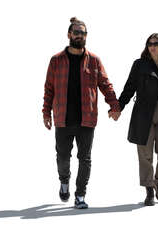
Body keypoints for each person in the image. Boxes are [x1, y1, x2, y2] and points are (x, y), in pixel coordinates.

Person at [42, 17, 121, 209]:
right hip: (63, 118)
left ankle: (80, 195)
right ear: (69, 35)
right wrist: (46, 113)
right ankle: (64, 181)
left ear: (86, 36)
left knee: (85, 159)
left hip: (87, 118)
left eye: (83, 33)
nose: (80, 36)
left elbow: (105, 84)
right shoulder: (56, 60)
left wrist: (114, 105)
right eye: (76, 32)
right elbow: (49, 89)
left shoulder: (94, 61)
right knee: (62, 157)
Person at [117, 33, 158, 206]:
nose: (152, 46)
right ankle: (149, 190)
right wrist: (118, 107)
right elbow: (129, 88)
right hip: (143, 115)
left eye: (156, 43)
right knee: (145, 154)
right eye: (149, 43)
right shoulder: (139, 65)